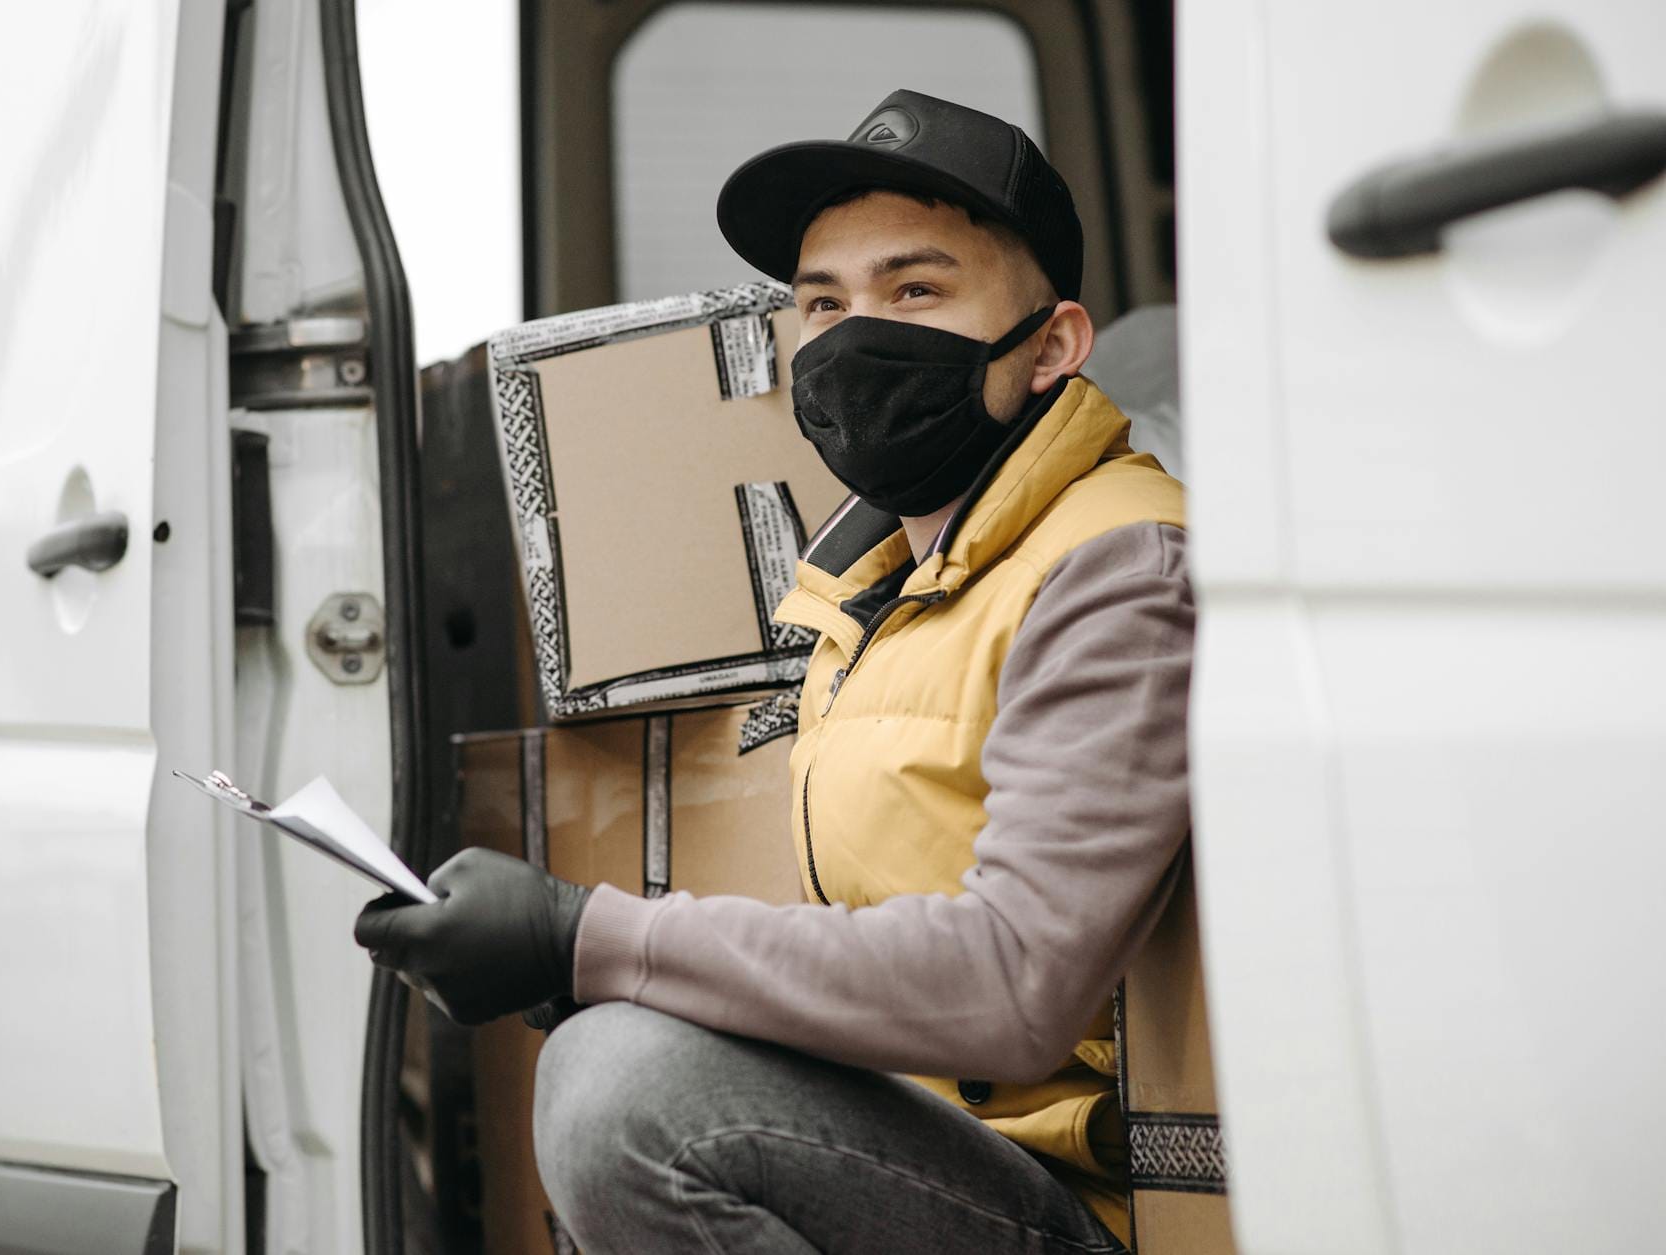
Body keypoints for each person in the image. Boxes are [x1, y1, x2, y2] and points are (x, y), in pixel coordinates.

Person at [356, 89, 1193, 1253]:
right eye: (820, 302)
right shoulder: (875, 584)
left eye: (914, 290)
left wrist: (584, 932)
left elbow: (1011, 980)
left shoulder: (1118, 568)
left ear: (1050, 344)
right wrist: (603, 969)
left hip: (1088, 1205)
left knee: (625, 1091)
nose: (854, 337)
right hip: (941, 1144)